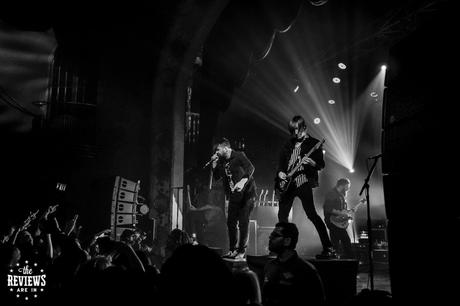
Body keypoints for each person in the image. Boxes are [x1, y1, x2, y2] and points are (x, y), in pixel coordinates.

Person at [275, 115, 336, 259]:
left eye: (298, 131)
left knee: (312, 214)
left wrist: (312, 163)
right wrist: (280, 173)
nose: (296, 134)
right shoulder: (288, 143)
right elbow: (281, 163)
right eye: (293, 131)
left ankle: (328, 247)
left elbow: (321, 164)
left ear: (304, 128)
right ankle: (284, 249)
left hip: (302, 182)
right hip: (287, 185)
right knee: (282, 216)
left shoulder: (314, 143)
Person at [211, 137, 256, 260]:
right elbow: (216, 177)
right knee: (231, 222)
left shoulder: (239, 155)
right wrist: (214, 165)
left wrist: (243, 181)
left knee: (243, 222)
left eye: (218, 149)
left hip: (247, 194)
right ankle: (232, 250)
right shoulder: (221, 161)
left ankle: (241, 251)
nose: (216, 152)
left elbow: (251, 168)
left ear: (226, 148)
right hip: (234, 196)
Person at [263, 222, 325, 306]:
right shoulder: (269, 266)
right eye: (271, 235)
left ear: (287, 241)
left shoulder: (306, 270)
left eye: (275, 235)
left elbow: (318, 301)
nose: (270, 237)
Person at [323, 178, 355, 259]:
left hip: (337, 222)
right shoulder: (332, 193)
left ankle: (337, 260)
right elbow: (328, 209)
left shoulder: (341, 195)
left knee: (337, 243)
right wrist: (342, 213)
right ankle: (346, 259)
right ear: (343, 185)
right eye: (348, 186)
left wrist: (347, 213)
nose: (349, 188)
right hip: (332, 221)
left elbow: (341, 210)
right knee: (344, 241)